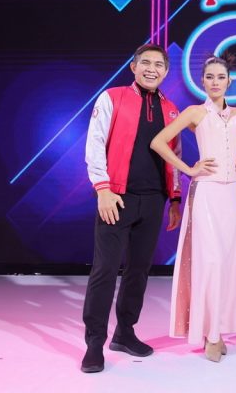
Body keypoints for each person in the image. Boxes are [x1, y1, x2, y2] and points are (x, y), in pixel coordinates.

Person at [150, 55, 236, 363]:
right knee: (209, 262)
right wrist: (188, 169)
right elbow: (159, 142)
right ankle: (211, 335)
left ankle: (220, 329)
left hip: (233, 195)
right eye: (209, 77)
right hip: (206, 194)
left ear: (229, 81)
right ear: (202, 81)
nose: (215, 82)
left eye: (220, 77)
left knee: (229, 264)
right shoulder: (195, 113)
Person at [81, 43, 182, 373]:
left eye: (159, 65)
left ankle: (125, 332)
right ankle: (94, 342)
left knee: (138, 271)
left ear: (166, 72)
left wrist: (175, 198)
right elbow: (95, 143)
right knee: (105, 270)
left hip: (153, 200)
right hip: (117, 197)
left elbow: (174, 155)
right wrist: (103, 189)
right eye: (146, 63)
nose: (152, 69)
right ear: (134, 67)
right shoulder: (112, 97)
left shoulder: (171, 110)